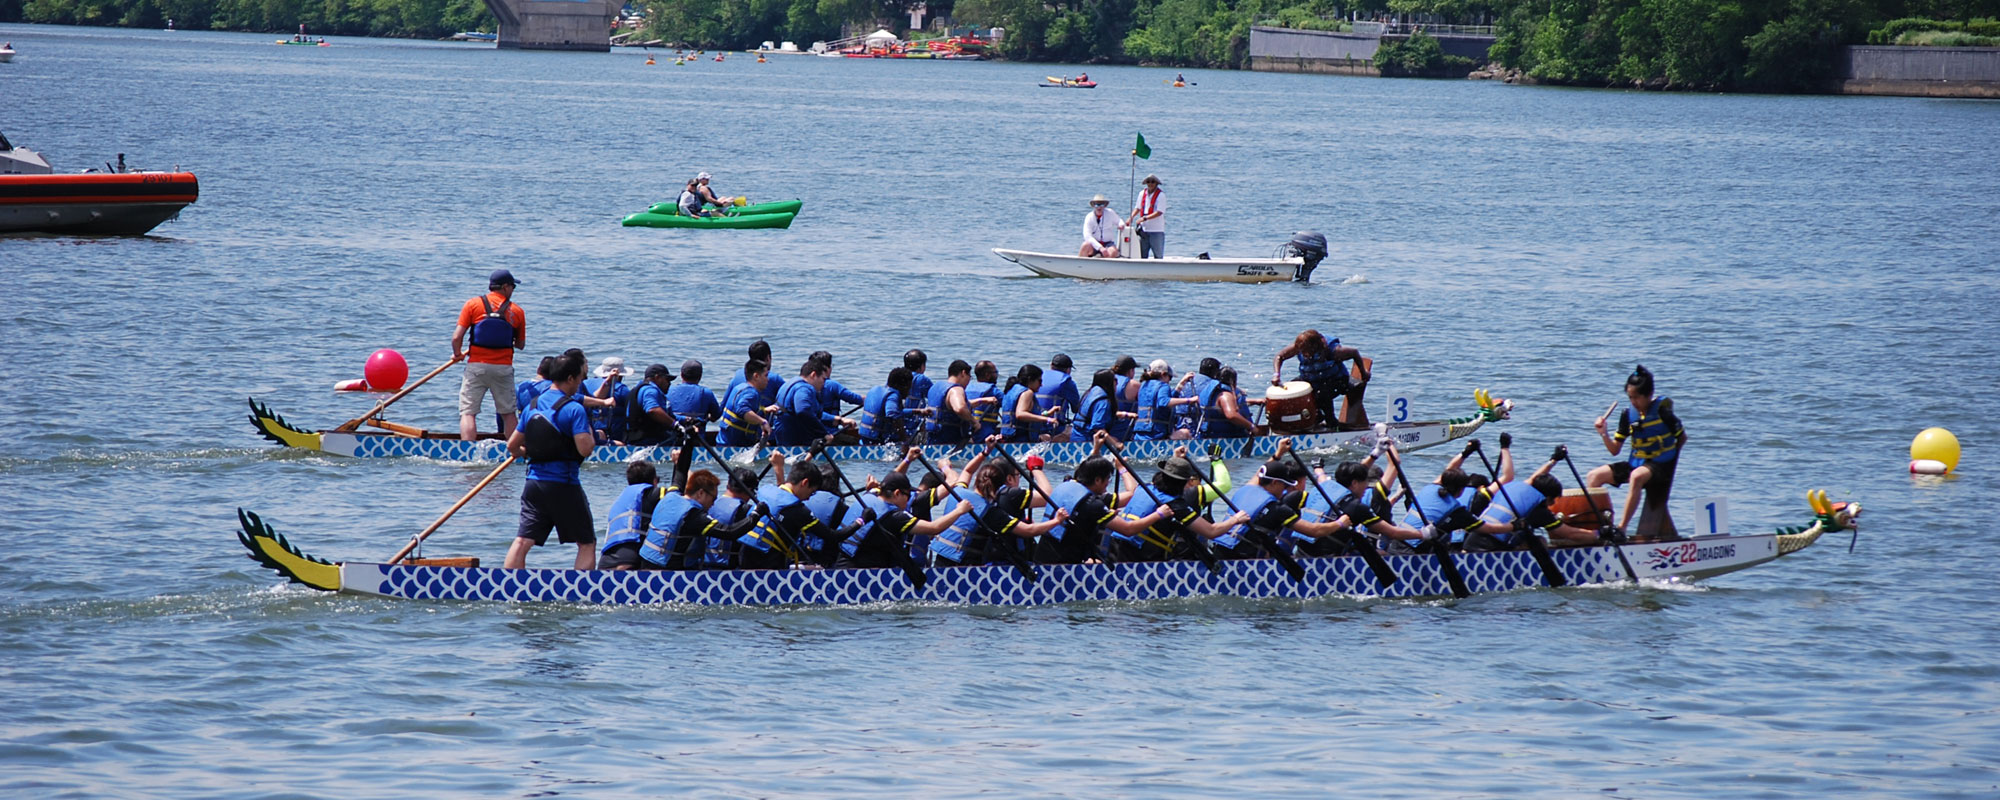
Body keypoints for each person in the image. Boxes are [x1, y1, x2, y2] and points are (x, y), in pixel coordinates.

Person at [503, 350, 595, 570]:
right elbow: (585, 450)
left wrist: (532, 453)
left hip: (533, 484)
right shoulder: (574, 409)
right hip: (564, 483)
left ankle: (508, 586)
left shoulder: (532, 406)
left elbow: (512, 446)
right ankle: (581, 593)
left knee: (523, 540)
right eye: (580, 379)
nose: (580, 384)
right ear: (571, 378)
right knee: (586, 543)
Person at [1028, 437, 1173, 563]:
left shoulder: (1066, 485)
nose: (1108, 484)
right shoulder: (1093, 504)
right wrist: (1159, 514)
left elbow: (1084, 469)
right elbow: (1128, 530)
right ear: (1097, 480)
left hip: (1042, 558)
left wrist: (1096, 448)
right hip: (1064, 568)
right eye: (1107, 480)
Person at [1587, 364, 1686, 541]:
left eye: (1637, 398)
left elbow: (1682, 438)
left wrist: (1669, 462)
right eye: (1630, 397)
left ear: (1648, 395)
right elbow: (1614, 450)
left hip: (1659, 467)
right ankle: (1600, 530)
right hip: (1637, 463)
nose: (1633, 402)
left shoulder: (1663, 412)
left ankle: (1621, 529)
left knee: (1636, 477)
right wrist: (1603, 433)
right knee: (1594, 476)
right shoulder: (1628, 415)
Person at [1108, 449, 1248, 561]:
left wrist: (1122, 469)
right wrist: (1236, 520)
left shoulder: (1145, 488)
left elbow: (1131, 488)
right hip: (1137, 559)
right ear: (1185, 483)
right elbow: (1211, 531)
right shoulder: (1174, 504)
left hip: (1113, 549)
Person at [840, 464, 974, 569]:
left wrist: (908, 459)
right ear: (897, 493)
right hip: (865, 573)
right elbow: (934, 528)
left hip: (841, 563)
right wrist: (959, 511)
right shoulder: (896, 517)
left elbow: (888, 480)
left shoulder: (870, 494)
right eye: (908, 496)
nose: (909, 500)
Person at [1474, 446, 1607, 550]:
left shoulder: (1514, 487)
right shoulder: (1539, 510)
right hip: (1490, 549)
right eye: (1553, 500)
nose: (1553, 503)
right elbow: (1570, 534)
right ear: (1547, 497)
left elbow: (1534, 478)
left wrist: (1553, 460)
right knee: (1540, 542)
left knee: (1527, 536)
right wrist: (1600, 534)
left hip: (1471, 540)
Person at [453, 269, 526, 441]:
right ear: (505, 287)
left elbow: (457, 337)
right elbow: (521, 345)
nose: (513, 290)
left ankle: (468, 451)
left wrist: (458, 354)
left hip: (476, 367)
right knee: (508, 413)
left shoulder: (472, 305)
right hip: (503, 369)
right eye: (513, 287)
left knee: (468, 413)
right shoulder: (516, 311)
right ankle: (514, 451)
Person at [738, 459, 829, 569]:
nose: (809, 497)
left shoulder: (765, 490)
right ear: (804, 483)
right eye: (812, 492)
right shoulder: (798, 510)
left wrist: (778, 468)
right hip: (770, 567)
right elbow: (832, 536)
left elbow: (782, 494)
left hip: (743, 558)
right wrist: (856, 524)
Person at [1271, 329, 1369, 431]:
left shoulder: (1333, 351)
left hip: (1337, 380)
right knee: (1289, 392)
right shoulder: (1299, 347)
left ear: (1315, 347)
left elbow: (1354, 353)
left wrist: (1363, 373)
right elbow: (1279, 356)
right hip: (1311, 380)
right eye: (1301, 351)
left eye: (1306, 351)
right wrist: (1276, 374)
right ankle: (1303, 422)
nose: (1303, 353)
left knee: (1321, 393)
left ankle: (1331, 423)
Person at [772, 358, 857, 446]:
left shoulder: (789, 383)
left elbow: (814, 414)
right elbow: (803, 411)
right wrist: (823, 434)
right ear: (813, 375)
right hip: (796, 443)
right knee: (852, 442)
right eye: (823, 379)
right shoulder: (804, 389)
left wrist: (839, 420)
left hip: (784, 439)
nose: (824, 384)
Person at [599, 460, 662, 570]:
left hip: (605, 560)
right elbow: (680, 493)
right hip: (629, 558)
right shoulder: (651, 493)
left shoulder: (622, 498)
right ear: (655, 481)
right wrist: (679, 464)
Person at [718, 359, 779, 446]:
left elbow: (744, 408)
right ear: (756, 376)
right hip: (733, 448)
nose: (768, 379)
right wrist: (763, 422)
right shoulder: (751, 393)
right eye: (766, 375)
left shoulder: (740, 387)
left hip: (724, 442)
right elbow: (742, 410)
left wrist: (764, 410)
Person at [924, 359, 980, 445]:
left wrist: (983, 400)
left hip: (932, 441)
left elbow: (949, 405)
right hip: (950, 442)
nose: (969, 381)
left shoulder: (935, 387)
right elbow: (960, 408)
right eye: (970, 377)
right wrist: (974, 422)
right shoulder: (956, 389)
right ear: (963, 373)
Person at [1071, 369, 1134, 442]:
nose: (1117, 383)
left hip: (1075, 435)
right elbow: (1097, 427)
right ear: (1108, 382)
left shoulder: (1091, 392)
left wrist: (1125, 414)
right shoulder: (1103, 402)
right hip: (1086, 441)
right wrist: (1114, 442)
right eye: (1115, 380)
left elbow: (1097, 414)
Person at [1000, 364, 1058, 442]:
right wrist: (1048, 420)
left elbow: (1027, 415)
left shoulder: (1011, 390)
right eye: (1039, 381)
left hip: (1009, 438)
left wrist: (1048, 413)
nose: (1041, 385)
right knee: (1052, 437)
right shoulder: (1028, 393)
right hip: (1022, 440)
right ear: (1030, 380)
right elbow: (1020, 414)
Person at [858, 367, 916, 444]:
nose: (908, 392)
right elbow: (892, 413)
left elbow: (895, 412)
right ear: (898, 386)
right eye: (908, 388)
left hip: (864, 440)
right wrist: (904, 439)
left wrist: (916, 411)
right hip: (877, 442)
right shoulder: (893, 395)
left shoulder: (875, 389)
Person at [581, 356, 632, 444]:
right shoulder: (622, 389)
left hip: (590, 429)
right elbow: (631, 411)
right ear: (620, 375)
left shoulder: (585, 384)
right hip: (613, 432)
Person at [1198, 362, 1255, 438]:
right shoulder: (1225, 395)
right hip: (1227, 438)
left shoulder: (1211, 392)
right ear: (1232, 381)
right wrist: (1252, 427)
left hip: (1209, 435)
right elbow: (1232, 415)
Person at [666, 359, 723, 435]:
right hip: (697, 440)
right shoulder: (706, 393)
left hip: (670, 439)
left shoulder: (668, 391)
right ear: (700, 376)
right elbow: (716, 416)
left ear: (681, 374)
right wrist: (706, 417)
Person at [627, 364, 677, 446]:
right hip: (648, 443)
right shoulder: (650, 391)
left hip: (635, 440)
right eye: (667, 379)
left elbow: (666, 415)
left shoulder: (638, 388)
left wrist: (685, 419)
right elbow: (652, 410)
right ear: (657, 377)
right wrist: (674, 425)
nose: (669, 383)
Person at [726, 340, 785, 407]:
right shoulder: (774, 379)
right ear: (768, 358)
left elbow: (722, 408)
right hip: (757, 416)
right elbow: (788, 400)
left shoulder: (737, 376)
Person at [1037, 353, 1082, 432]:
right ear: (1068, 370)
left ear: (1051, 365)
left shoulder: (1038, 376)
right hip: (1052, 426)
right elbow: (1076, 409)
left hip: (1033, 422)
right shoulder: (1067, 382)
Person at [1129, 175, 1166, 259]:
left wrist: (1145, 218)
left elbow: (1159, 212)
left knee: (1158, 255)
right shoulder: (1142, 193)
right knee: (1142, 254)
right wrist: (1131, 218)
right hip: (1144, 230)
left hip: (1156, 230)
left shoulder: (1161, 195)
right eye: (1148, 182)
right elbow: (1138, 208)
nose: (1150, 184)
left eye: (1153, 182)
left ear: (1156, 183)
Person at [966, 360, 1002, 440]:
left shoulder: (967, 389)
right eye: (996, 372)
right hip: (985, 435)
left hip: (967, 433)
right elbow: (1009, 404)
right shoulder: (993, 391)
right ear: (987, 375)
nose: (997, 375)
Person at [514, 355, 555, 421]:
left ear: (538, 369)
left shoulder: (519, 387)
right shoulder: (551, 387)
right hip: (544, 424)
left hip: (524, 424)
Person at [904, 349, 933, 418]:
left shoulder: (896, 376)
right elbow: (934, 396)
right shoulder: (922, 379)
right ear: (922, 366)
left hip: (900, 416)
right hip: (915, 419)